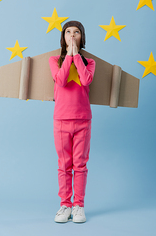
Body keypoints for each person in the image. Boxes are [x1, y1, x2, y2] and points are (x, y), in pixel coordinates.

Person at [49, 21, 95, 223]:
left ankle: (79, 206)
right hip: (61, 119)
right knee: (64, 164)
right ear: (63, 37)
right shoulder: (54, 60)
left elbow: (85, 81)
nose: (72, 35)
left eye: (76, 32)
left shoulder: (90, 63)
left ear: (81, 37)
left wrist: (76, 56)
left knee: (80, 165)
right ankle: (65, 205)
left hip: (83, 119)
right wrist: (68, 56)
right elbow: (60, 80)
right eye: (68, 32)